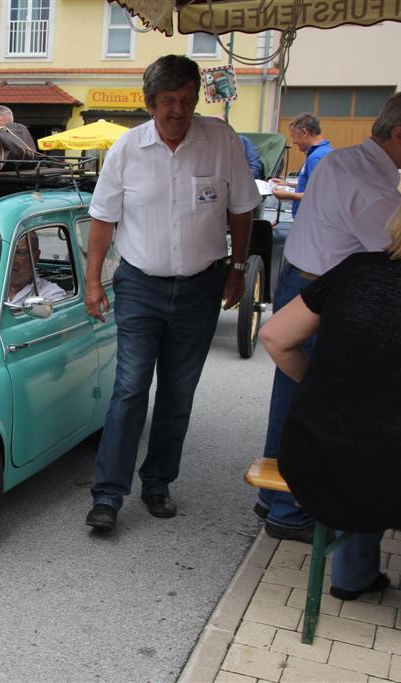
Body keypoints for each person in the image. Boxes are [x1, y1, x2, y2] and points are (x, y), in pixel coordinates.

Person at [82, 55, 260, 532]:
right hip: (140, 285)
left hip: (202, 285)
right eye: (168, 102)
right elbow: (103, 219)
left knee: (179, 393)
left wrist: (237, 268)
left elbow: (243, 209)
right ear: (150, 104)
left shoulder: (221, 142)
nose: (178, 111)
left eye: (186, 100)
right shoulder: (126, 150)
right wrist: (94, 280)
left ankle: (157, 482)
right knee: (130, 388)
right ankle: (108, 496)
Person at [257, 87, 401, 542]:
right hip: (324, 291)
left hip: (301, 275)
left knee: (291, 397)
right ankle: (291, 512)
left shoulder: (341, 159)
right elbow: (400, 261)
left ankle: (275, 500)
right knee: (318, 402)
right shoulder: (372, 190)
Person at [259, 186, 401, 626]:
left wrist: (321, 385)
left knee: (367, 444)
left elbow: (274, 337)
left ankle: (351, 576)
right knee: (393, 450)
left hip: (318, 455)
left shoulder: (357, 268)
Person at [269, 113, 333, 216]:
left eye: (294, 136)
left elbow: (319, 194)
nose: (294, 142)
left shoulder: (316, 157)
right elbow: (314, 184)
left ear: (304, 132)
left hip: (310, 220)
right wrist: (288, 184)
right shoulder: (324, 152)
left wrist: (289, 195)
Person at [6, 233, 66, 304]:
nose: (11, 260)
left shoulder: (50, 293)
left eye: (20, 253)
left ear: (36, 256)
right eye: (7, 253)